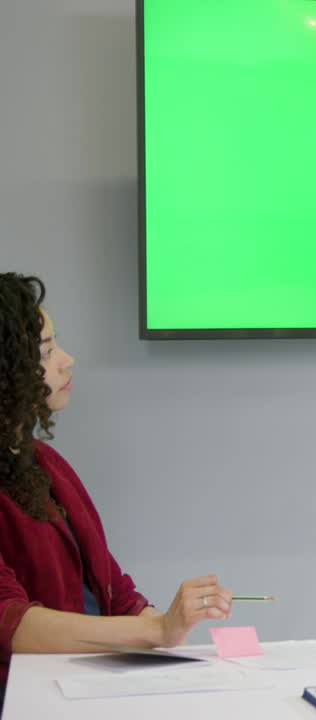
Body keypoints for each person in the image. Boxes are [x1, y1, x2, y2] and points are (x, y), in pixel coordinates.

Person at [0, 273, 232, 699]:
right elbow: (12, 624)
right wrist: (156, 630)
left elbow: (113, 589)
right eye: (47, 351)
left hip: (80, 685)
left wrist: (170, 636)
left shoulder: (46, 463)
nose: (67, 360)